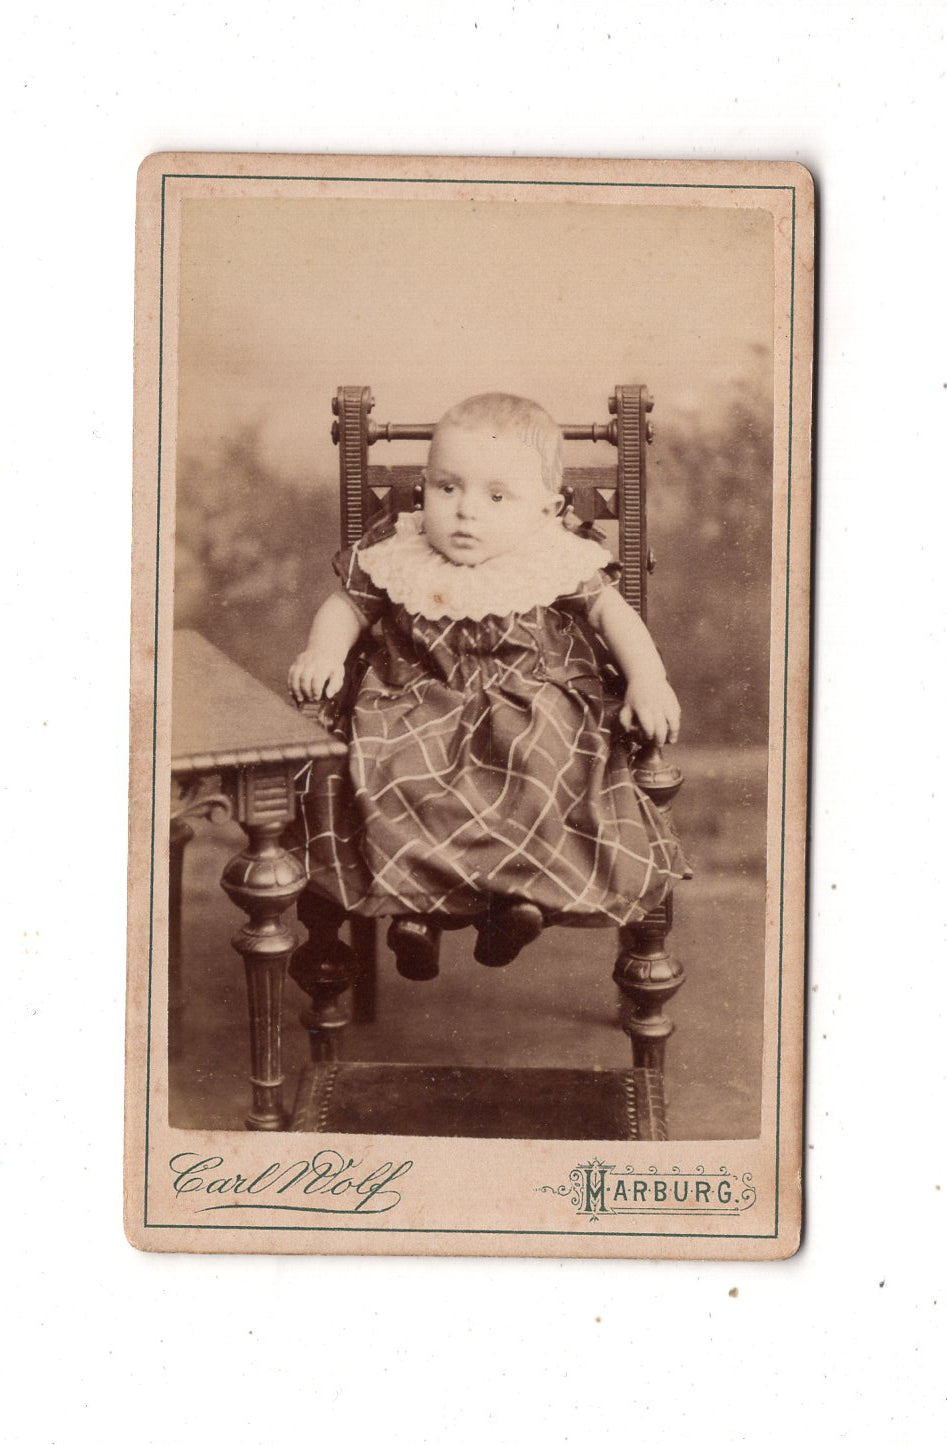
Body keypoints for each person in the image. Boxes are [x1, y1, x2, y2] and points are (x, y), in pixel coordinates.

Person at [288, 392, 686, 981]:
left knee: (544, 767)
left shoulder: (553, 554)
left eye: (497, 497)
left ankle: (517, 906)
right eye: (447, 488)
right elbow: (346, 606)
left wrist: (648, 679)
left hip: (532, 701)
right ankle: (417, 914)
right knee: (397, 772)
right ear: (424, 487)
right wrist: (324, 650)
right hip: (416, 700)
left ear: (548, 510)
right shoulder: (398, 551)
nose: (465, 512)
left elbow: (613, 616)